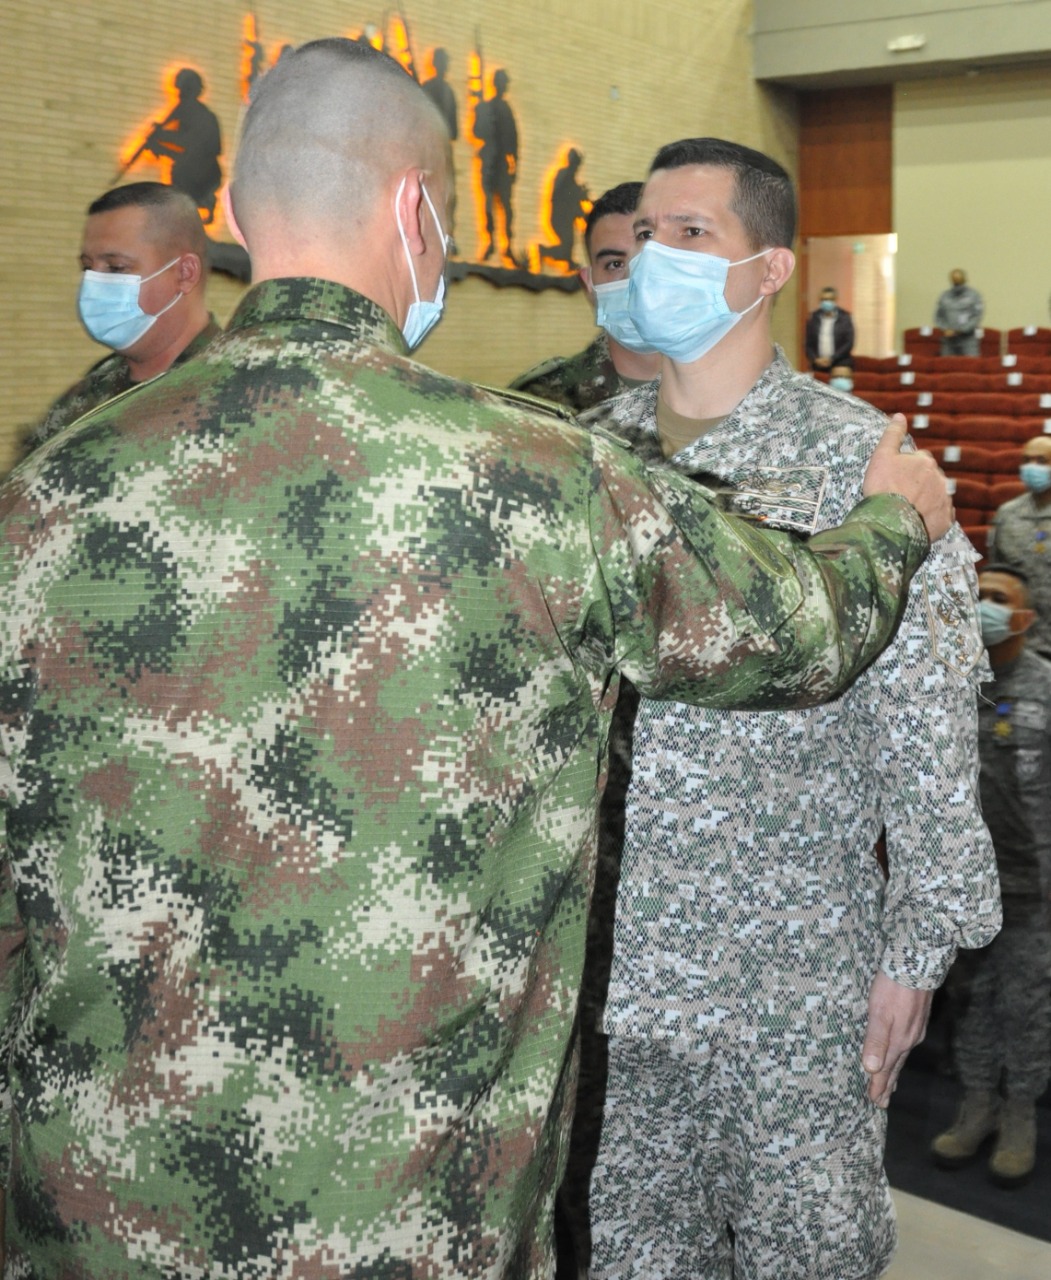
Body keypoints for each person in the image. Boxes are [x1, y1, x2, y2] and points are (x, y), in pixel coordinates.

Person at [0, 44, 952, 1280]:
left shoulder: (48, 489)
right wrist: (896, 518)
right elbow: (801, 633)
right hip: (399, 1205)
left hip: (94, 1198)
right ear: (415, 213)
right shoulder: (535, 474)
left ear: (232, 216)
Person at [582, 137, 999, 1280]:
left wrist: (913, 951)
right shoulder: (586, 459)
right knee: (622, 1250)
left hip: (792, 976)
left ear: (768, 270)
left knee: (805, 1252)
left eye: (690, 233)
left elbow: (924, 735)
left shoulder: (861, 467)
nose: (651, 257)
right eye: (644, 234)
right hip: (608, 973)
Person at [930, 565, 1051, 1188]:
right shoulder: (952, 682)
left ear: (1025, 619)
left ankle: (1020, 1113)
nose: (984, 606)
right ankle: (976, 1105)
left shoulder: (1045, 687)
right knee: (970, 999)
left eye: (999, 600)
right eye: (979, 596)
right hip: (968, 881)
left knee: (1027, 1005)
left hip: (1036, 885)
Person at [22, 181, 220, 457]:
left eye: (116, 268)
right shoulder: (87, 395)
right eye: (87, 267)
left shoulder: (238, 393)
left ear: (185, 274)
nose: (93, 283)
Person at [510, 182, 660, 412]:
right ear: (588, 284)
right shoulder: (542, 400)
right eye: (615, 264)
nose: (635, 279)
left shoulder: (731, 386)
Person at [987, 435, 1051, 660]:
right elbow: (996, 577)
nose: (1032, 467)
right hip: (1021, 641)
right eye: (1026, 460)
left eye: (1042, 461)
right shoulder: (1007, 514)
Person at [145, 67, 224, 224]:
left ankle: (202, 202)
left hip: (202, 174)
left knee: (179, 184)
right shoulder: (186, 111)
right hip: (197, 169)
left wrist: (162, 136)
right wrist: (159, 143)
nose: (179, 94)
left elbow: (190, 142)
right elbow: (185, 149)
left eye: (182, 90)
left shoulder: (200, 115)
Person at [475, 67, 518, 264]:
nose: (505, 87)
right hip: (489, 161)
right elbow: (477, 132)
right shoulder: (485, 107)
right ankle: (489, 241)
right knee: (488, 204)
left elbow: (513, 139)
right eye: (503, 83)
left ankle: (507, 246)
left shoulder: (506, 109)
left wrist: (514, 163)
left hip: (501, 163)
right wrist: (483, 115)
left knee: (506, 207)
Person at [934, 267, 984, 356]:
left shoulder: (974, 295)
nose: (956, 281)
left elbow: (976, 317)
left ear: (964, 279)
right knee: (947, 367)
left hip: (968, 340)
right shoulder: (944, 296)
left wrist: (959, 330)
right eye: (954, 279)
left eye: (958, 279)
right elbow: (938, 317)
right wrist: (945, 328)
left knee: (970, 366)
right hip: (949, 341)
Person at [805, 285, 854, 372]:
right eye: (824, 299)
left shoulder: (845, 318)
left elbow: (848, 343)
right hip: (818, 365)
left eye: (830, 299)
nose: (826, 302)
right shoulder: (813, 318)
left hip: (840, 365)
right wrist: (815, 359)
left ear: (835, 300)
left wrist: (831, 358)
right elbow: (808, 343)